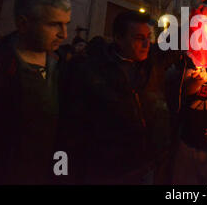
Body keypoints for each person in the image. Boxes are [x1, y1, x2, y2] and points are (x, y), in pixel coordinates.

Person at [65, 10, 175, 184]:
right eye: (139, 38)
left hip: (151, 166)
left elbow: (179, 39)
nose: (147, 44)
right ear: (118, 38)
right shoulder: (92, 72)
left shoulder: (151, 64)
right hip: (112, 172)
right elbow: (74, 130)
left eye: (149, 37)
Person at [0, 0, 71, 184]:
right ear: (23, 24)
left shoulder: (63, 67)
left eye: (66, 24)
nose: (64, 34)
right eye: (54, 24)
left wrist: (62, 175)